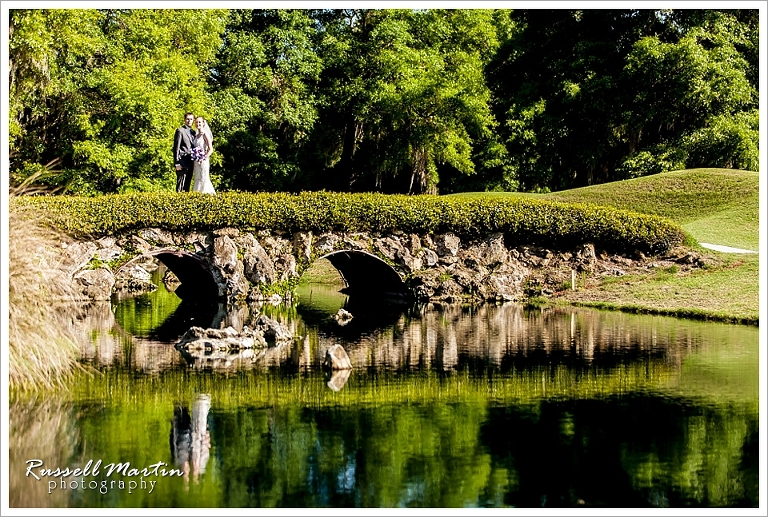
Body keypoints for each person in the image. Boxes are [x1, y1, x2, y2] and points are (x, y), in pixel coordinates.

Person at [191, 116, 216, 194]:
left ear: (203, 123)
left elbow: (211, 149)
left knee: (203, 178)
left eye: (199, 122)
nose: (198, 124)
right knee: (197, 178)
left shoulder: (205, 134)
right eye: (196, 122)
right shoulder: (196, 135)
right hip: (196, 161)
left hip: (203, 161)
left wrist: (204, 157)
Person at [173, 112, 196, 192]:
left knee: (187, 185)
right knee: (180, 184)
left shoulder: (193, 132)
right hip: (182, 161)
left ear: (193, 120)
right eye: (187, 119)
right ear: (184, 120)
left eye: (191, 119)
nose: (189, 121)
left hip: (191, 162)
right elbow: (176, 148)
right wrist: (177, 163)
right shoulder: (180, 131)